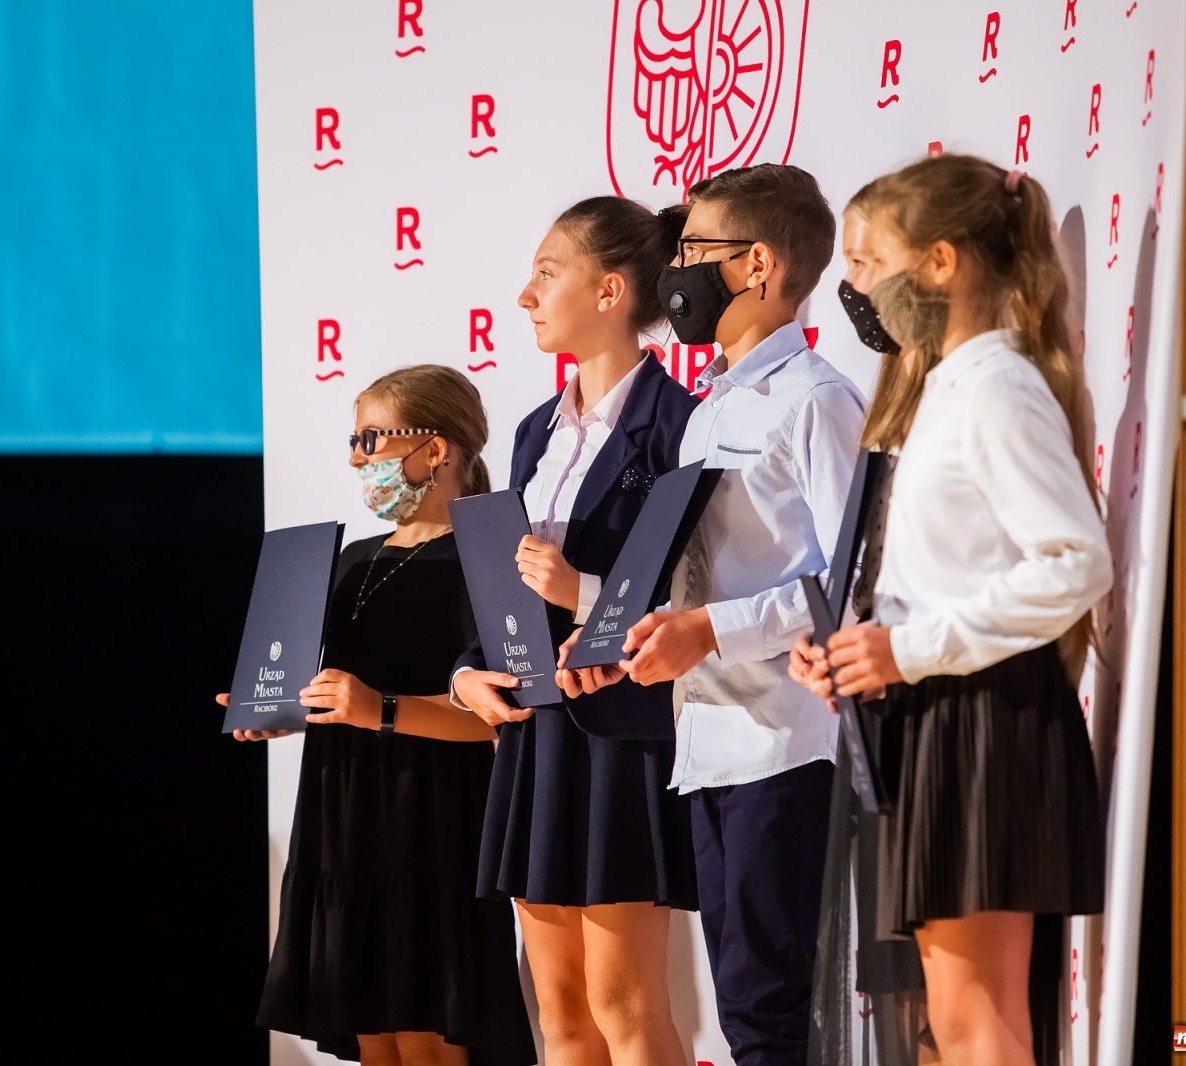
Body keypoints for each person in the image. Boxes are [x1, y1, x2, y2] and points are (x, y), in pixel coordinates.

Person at [793, 154, 1111, 1066]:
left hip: (986, 719)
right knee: (949, 1020)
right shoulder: (946, 386)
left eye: (871, 261)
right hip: (938, 711)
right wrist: (861, 651)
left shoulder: (1000, 386)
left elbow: (1075, 562)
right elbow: (942, 572)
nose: (858, 286)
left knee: (979, 1023)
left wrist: (909, 648)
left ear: (938, 264)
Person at [561, 163, 867, 1066]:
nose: (676, 271)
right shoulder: (708, 411)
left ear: (759, 267)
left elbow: (849, 585)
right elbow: (693, 572)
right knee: (741, 1012)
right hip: (708, 741)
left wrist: (712, 632)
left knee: (773, 1013)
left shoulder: (816, 400)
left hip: (787, 740)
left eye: (695, 250)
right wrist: (626, 631)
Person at [221, 365, 536, 1066]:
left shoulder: (483, 556)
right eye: (354, 441)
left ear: (435, 449)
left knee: (426, 1032)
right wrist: (280, 709)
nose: (358, 458)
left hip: (431, 817)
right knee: (376, 1035)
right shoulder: (352, 560)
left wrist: (380, 710)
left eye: (372, 439)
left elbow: (498, 714)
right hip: (347, 812)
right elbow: (340, 688)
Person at [450, 196, 700, 1066]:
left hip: (620, 730)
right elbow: (508, 584)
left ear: (610, 290)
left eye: (546, 273)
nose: (525, 294)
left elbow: (700, 587)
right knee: (557, 1011)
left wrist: (585, 589)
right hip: (535, 730)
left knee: (624, 1005)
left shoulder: (678, 423)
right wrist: (469, 673)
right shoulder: (533, 431)